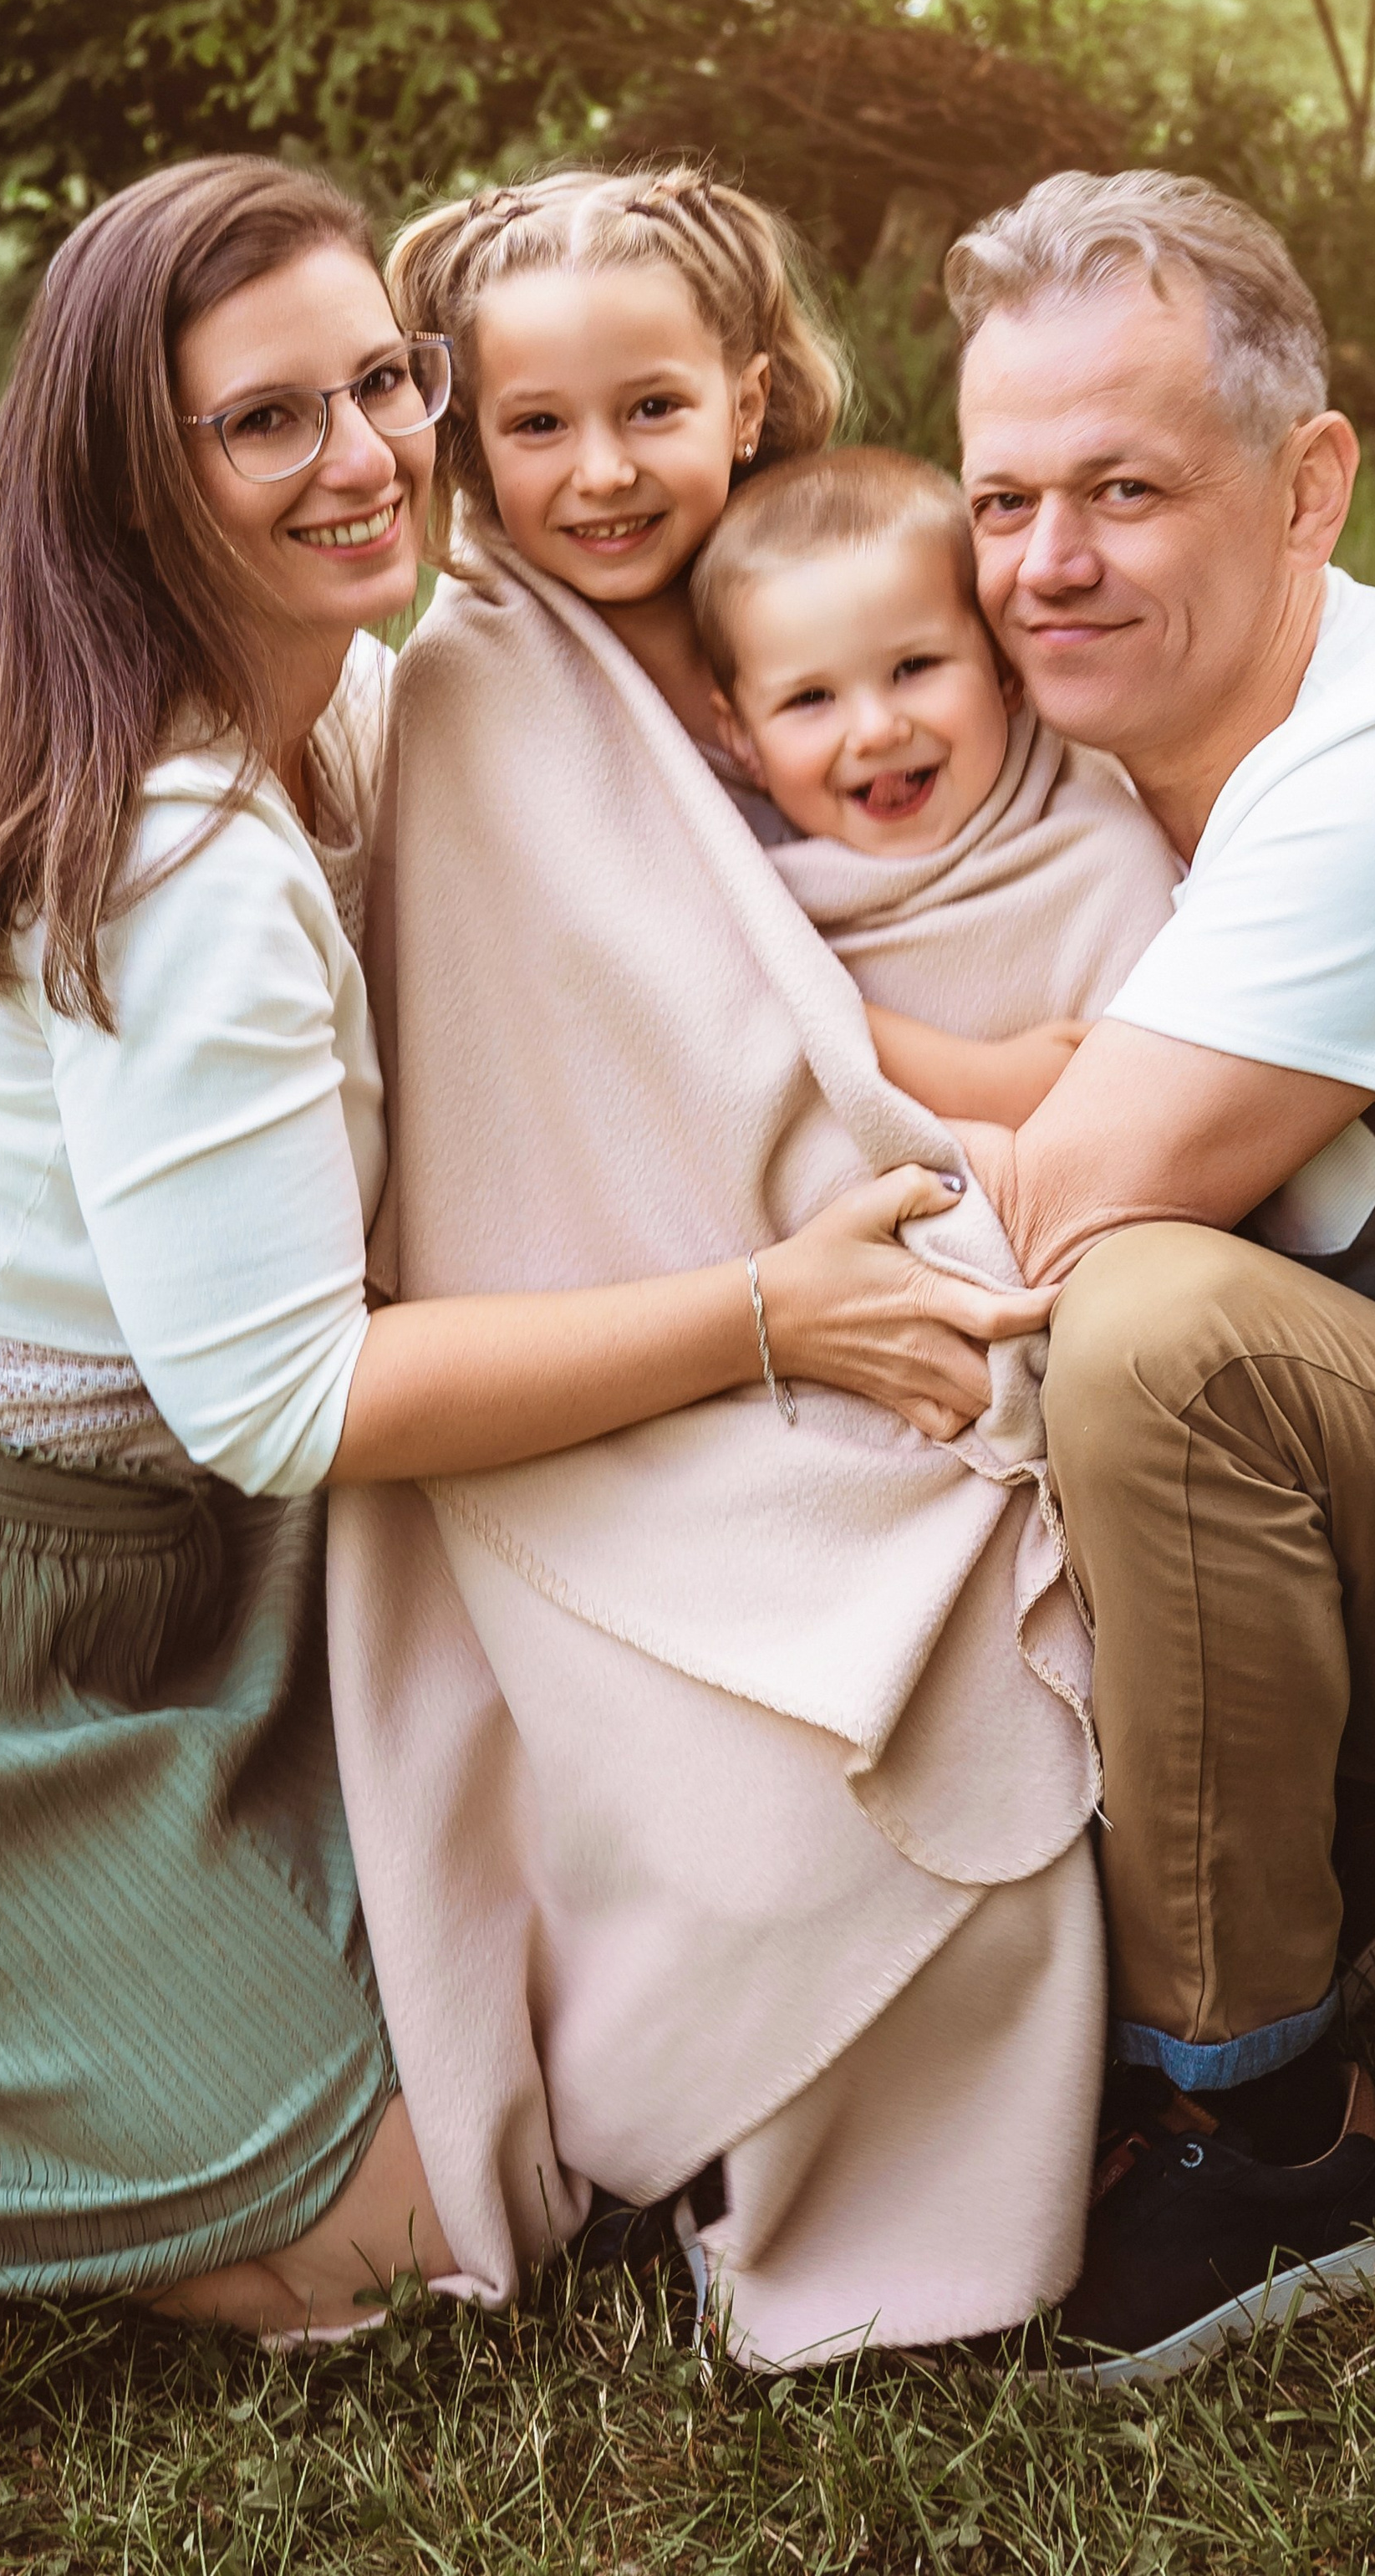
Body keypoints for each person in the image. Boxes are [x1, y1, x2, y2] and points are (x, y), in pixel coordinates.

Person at [0, 156, 1016, 2331]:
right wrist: (768, 1316)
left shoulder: (330, 689)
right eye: (267, 420)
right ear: (136, 475)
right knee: (392, 2253)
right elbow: (283, 1400)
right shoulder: (182, 859)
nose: (367, 456)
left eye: (386, 384)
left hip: (147, 1595)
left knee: (494, 2040)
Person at [328, 168, 1164, 2367]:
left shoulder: (799, 612)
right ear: (456, 436)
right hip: (606, 1364)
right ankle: (766, 2127)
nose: (598, 473)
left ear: (753, 399)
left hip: (807, 1277)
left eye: (651, 410)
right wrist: (966, 1137)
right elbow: (656, 1059)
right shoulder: (487, 689)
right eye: (534, 429)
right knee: (869, 1710)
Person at [905, 166, 1375, 2385]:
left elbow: (1055, 1224)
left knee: (1153, 1331)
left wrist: (776, 1076)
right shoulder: (1121, 736)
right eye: (1009, 498)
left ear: (1308, 483)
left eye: (1126, 490)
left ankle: (1265, 2138)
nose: (1050, 564)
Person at [691, 443, 1174, 1122]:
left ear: (1006, 669)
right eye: (810, 699)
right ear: (742, 738)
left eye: (913, 667)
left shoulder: (1098, 864)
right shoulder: (754, 905)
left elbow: (1148, 1102)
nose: (876, 731)